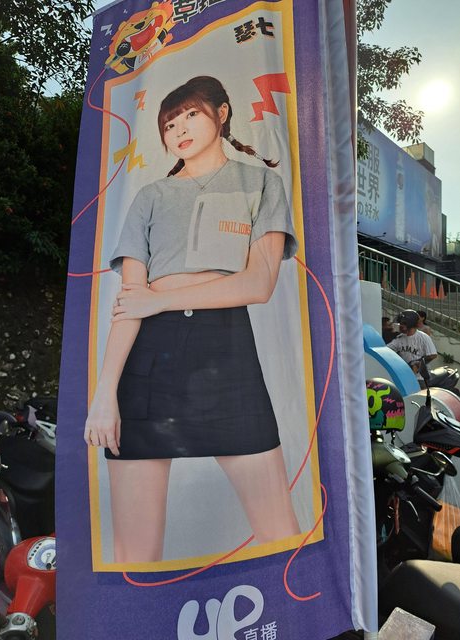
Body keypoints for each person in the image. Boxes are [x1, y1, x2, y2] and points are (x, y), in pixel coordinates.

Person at [84, 76, 301, 563]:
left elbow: (258, 284)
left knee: (281, 537)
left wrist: (160, 298)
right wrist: (104, 395)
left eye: (191, 115)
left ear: (221, 114)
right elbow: (130, 304)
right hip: (147, 360)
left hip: (226, 352)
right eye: (169, 123)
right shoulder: (150, 196)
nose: (178, 129)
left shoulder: (260, 183)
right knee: (134, 555)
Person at [387, 309, 437, 378]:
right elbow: (387, 350)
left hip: (420, 377)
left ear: (410, 323)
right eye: (400, 323)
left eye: (403, 324)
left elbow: (433, 355)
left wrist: (418, 363)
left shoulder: (423, 337)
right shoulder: (400, 338)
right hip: (405, 375)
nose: (400, 326)